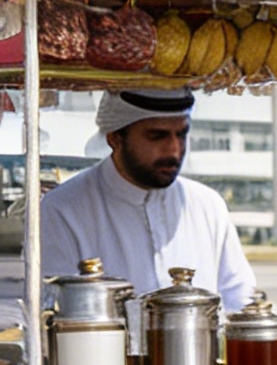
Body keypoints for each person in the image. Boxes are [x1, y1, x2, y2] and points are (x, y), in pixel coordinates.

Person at [42, 88, 259, 309]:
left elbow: (239, 301)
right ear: (115, 139)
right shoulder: (62, 210)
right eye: (157, 136)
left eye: (181, 134)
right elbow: (52, 310)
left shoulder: (207, 205)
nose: (174, 150)